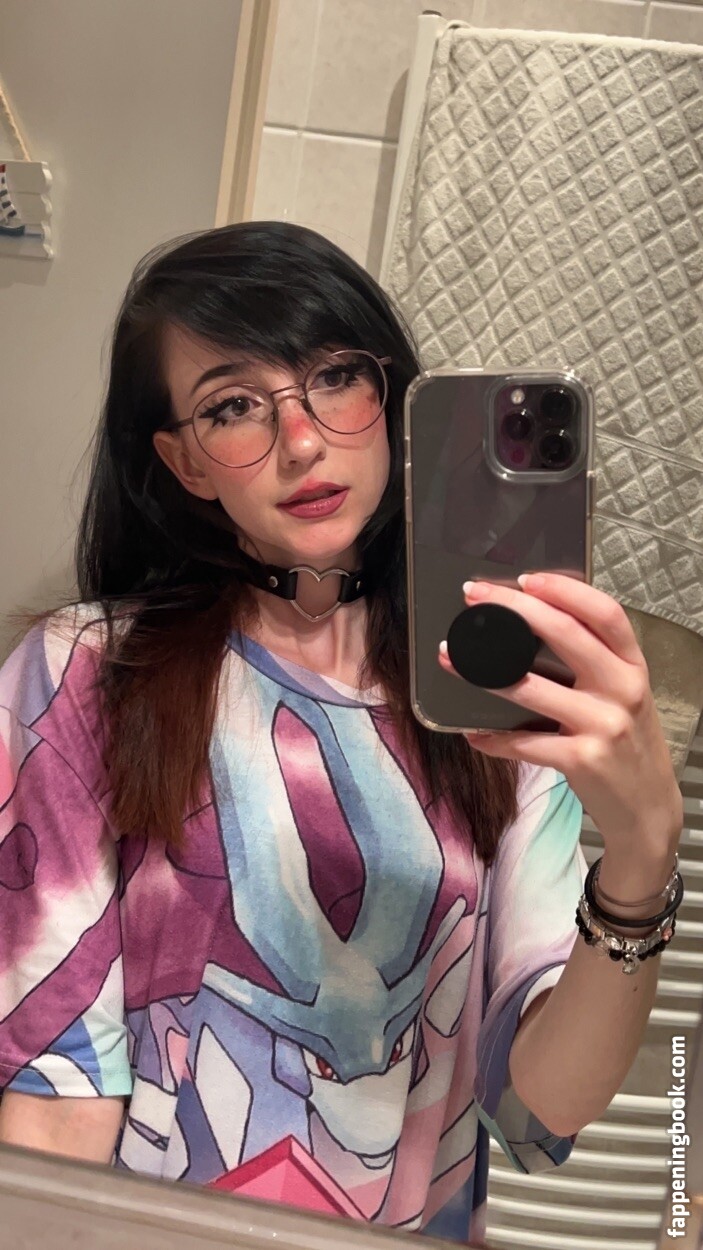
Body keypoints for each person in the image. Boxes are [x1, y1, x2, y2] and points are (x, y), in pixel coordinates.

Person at [0, 222, 684, 1246]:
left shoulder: (489, 696)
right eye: (233, 406)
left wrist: (641, 850)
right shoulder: (86, 676)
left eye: (333, 378)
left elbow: (541, 1098)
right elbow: (58, 1093)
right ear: (185, 462)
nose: (302, 440)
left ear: (394, 401)